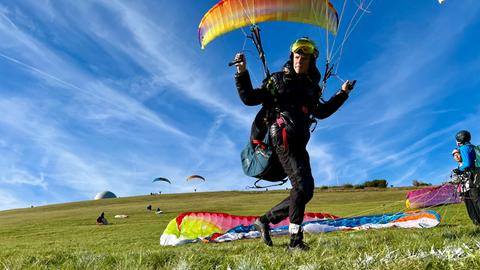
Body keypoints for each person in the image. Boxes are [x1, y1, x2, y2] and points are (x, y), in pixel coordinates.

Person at [234, 37, 355, 250]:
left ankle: (265, 220)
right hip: (281, 136)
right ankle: (295, 242)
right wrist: (242, 72)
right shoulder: (278, 80)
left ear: (311, 60)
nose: (299, 60)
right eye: (296, 56)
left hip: (299, 143)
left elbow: (322, 112)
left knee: (306, 190)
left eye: (303, 57)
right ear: (293, 57)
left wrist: (342, 93)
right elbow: (250, 98)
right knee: (300, 186)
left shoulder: (311, 88)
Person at [452, 130, 480, 225]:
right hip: (477, 172)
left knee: (476, 197)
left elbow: (467, 163)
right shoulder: (473, 147)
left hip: (475, 173)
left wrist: (459, 169)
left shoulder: (464, 148)